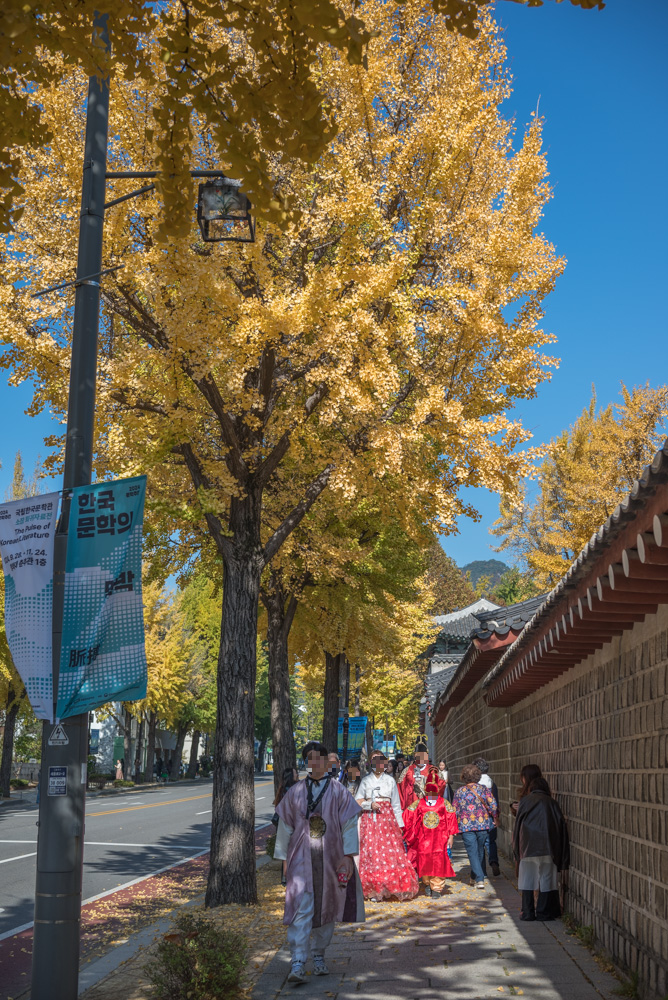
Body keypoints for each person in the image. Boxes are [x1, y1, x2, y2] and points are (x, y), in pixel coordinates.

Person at [274, 741, 364, 984]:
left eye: (318, 759)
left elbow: (349, 824)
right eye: (309, 759)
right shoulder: (295, 792)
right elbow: (285, 827)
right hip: (300, 859)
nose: (314, 763)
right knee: (300, 908)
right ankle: (297, 960)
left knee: (327, 908)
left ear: (326, 762)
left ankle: (318, 954)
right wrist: (283, 860)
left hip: (330, 859)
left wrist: (348, 856)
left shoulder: (338, 791)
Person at [356, 751, 418, 902]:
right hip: (370, 819)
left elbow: (396, 805)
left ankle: (390, 885)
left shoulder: (390, 781)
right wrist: (369, 805)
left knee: (389, 852)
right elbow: (357, 801)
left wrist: (400, 825)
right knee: (371, 852)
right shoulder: (365, 781)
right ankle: (373, 888)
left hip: (387, 819)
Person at [513, 775, 569, 921]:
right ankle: (543, 912)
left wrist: (517, 850)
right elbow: (561, 826)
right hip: (548, 846)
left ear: (531, 789)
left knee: (527, 877)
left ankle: (527, 912)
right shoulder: (552, 802)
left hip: (527, 846)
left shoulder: (525, 801)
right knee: (547, 877)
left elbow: (517, 826)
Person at [404, 768, 458, 898]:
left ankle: (437, 888)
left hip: (440, 838)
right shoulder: (419, 803)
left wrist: (451, 836)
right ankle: (427, 883)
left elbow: (451, 818)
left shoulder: (444, 803)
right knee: (425, 860)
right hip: (424, 839)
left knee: (439, 861)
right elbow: (408, 816)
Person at [452, 763, 499, 889]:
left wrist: (453, 826)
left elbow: (454, 810)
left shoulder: (459, 792)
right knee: (479, 850)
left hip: (466, 825)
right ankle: (477, 876)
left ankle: (478, 877)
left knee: (472, 852)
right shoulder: (484, 789)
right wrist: (495, 816)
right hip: (483, 824)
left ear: (464, 777)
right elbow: (493, 805)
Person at [397, 741, 445, 810]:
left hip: (429, 807)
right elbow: (400, 788)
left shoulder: (433, 770)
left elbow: (441, 785)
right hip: (412, 807)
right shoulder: (407, 771)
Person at [473, 757, 500, 876]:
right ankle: (494, 862)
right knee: (491, 841)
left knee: (479, 844)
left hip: (478, 818)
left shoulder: (474, 786)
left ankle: (482, 871)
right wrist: (496, 817)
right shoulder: (492, 783)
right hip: (490, 816)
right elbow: (496, 802)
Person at [272, 767, 299, 886]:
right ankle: (286, 876)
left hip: (283, 822)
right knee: (288, 850)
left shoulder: (283, 788)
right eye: (295, 773)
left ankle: (284, 877)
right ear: (291, 776)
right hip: (288, 822)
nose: (297, 774)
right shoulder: (292, 790)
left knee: (285, 850)